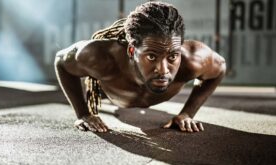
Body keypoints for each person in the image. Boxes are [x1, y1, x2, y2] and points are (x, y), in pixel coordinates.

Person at [54, 1, 226, 133]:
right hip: (110, 91)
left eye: (173, 56)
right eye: (151, 56)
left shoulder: (193, 60)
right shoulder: (100, 58)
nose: (163, 69)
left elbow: (220, 68)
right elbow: (61, 61)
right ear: (131, 50)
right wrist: (83, 113)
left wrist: (187, 113)